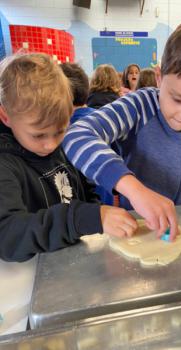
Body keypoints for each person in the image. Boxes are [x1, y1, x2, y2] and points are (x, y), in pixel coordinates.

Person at [63, 16, 181, 241]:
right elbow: (77, 135)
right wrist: (136, 190)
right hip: (140, 229)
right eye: (177, 99)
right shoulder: (139, 107)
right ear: (159, 78)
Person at [0, 53, 137, 262]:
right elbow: (9, 235)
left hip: (73, 265)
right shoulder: (5, 165)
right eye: (39, 135)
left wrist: (95, 209)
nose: (51, 144)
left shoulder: (62, 144)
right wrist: (84, 218)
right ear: (5, 116)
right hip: (33, 278)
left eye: (60, 131)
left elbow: (83, 186)